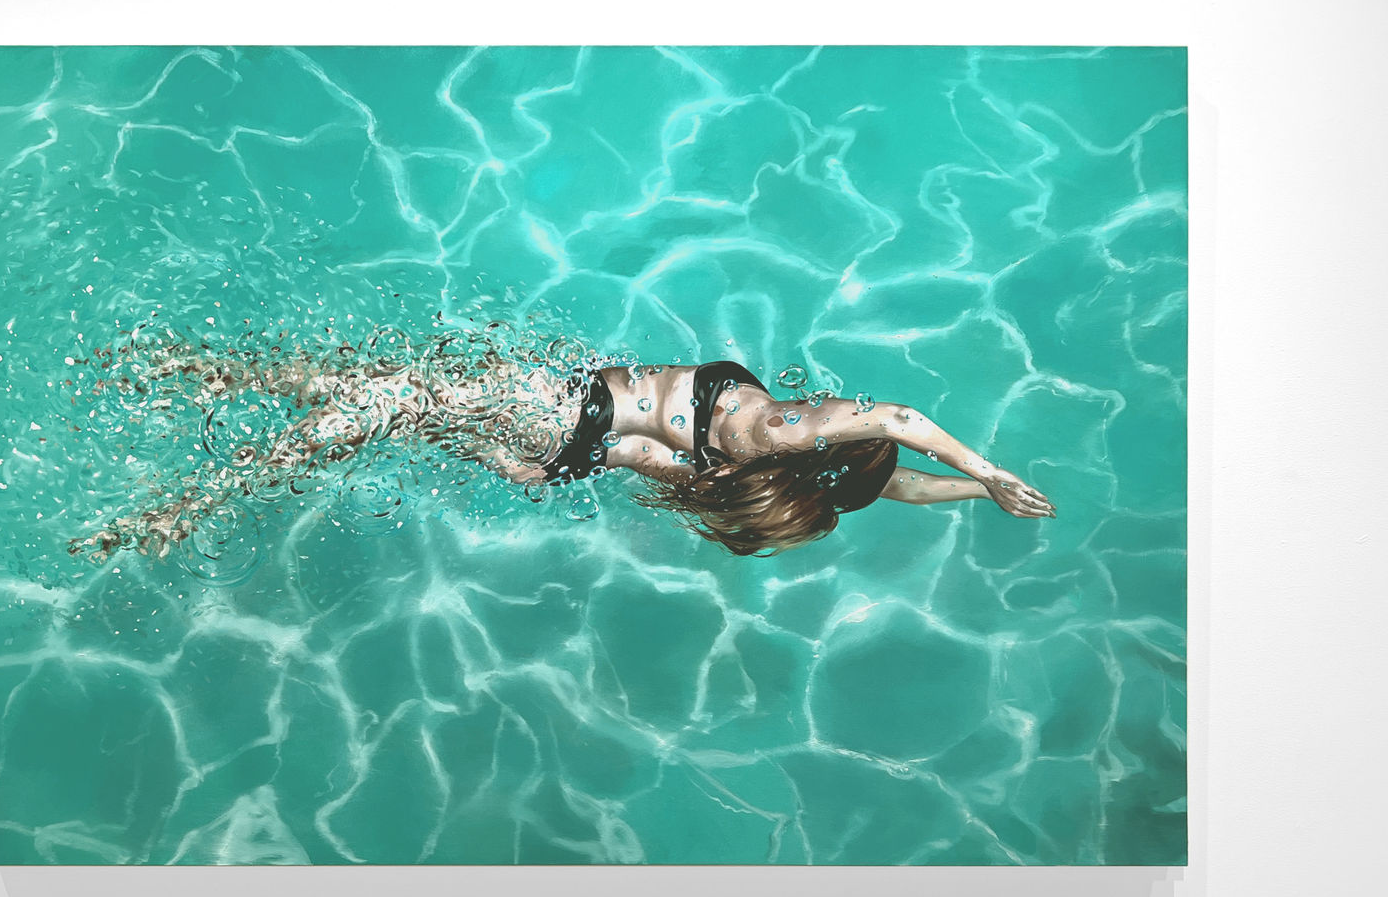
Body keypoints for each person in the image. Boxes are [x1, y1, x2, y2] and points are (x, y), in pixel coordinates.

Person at [68, 323, 1054, 561]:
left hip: (564, 412)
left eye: (836, 413)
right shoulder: (763, 466)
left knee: (390, 396)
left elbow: (896, 428)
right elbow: (883, 483)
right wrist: (973, 500)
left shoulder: (764, 426)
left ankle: (195, 496)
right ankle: (204, 380)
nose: (840, 400)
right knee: (378, 395)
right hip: (562, 452)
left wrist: (983, 467)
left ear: (818, 437)